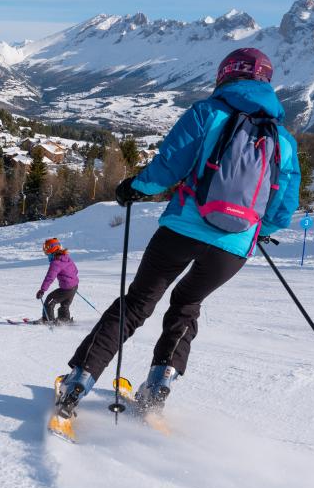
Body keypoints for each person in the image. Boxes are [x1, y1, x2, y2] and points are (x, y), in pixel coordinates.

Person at [54, 47, 300, 419]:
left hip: (182, 229)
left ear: (224, 75)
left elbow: (168, 168)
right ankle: (158, 386)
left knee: (136, 304)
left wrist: (134, 188)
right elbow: (283, 206)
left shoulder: (207, 113)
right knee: (186, 306)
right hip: (231, 248)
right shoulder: (283, 140)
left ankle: (78, 382)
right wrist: (257, 230)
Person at [37, 238, 79, 323]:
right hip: (74, 287)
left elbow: (49, 277)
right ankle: (64, 320)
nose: (45, 251)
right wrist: (72, 283)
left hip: (67, 288)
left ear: (52, 248)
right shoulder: (66, 257)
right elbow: (75, 270)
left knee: (49, 302)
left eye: (47, 248)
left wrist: (42, 290)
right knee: (65, 304)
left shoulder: (56, 262)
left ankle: (48, 320)